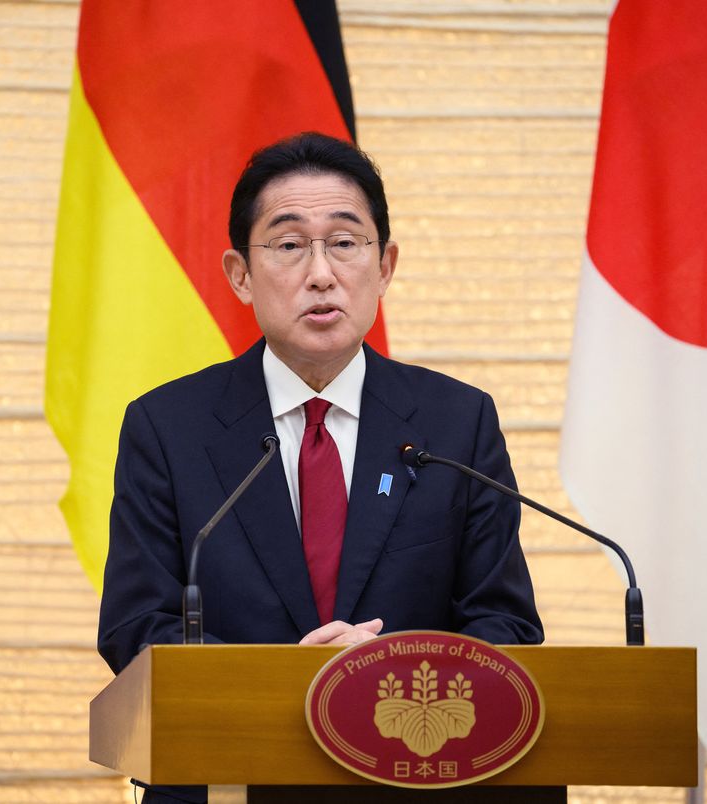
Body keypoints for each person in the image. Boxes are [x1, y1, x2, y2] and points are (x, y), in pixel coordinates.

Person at [97, 132, 543, 801]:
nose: (321, 273)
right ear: (239, 274)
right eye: (288, 244)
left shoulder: (457, 422)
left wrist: (385, 676)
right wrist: (287, 682)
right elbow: (137, 627)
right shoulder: (168, 428)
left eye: (345, 241)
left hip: (419, 780)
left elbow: (505, 625)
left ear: (385, 265)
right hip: (231, 779)